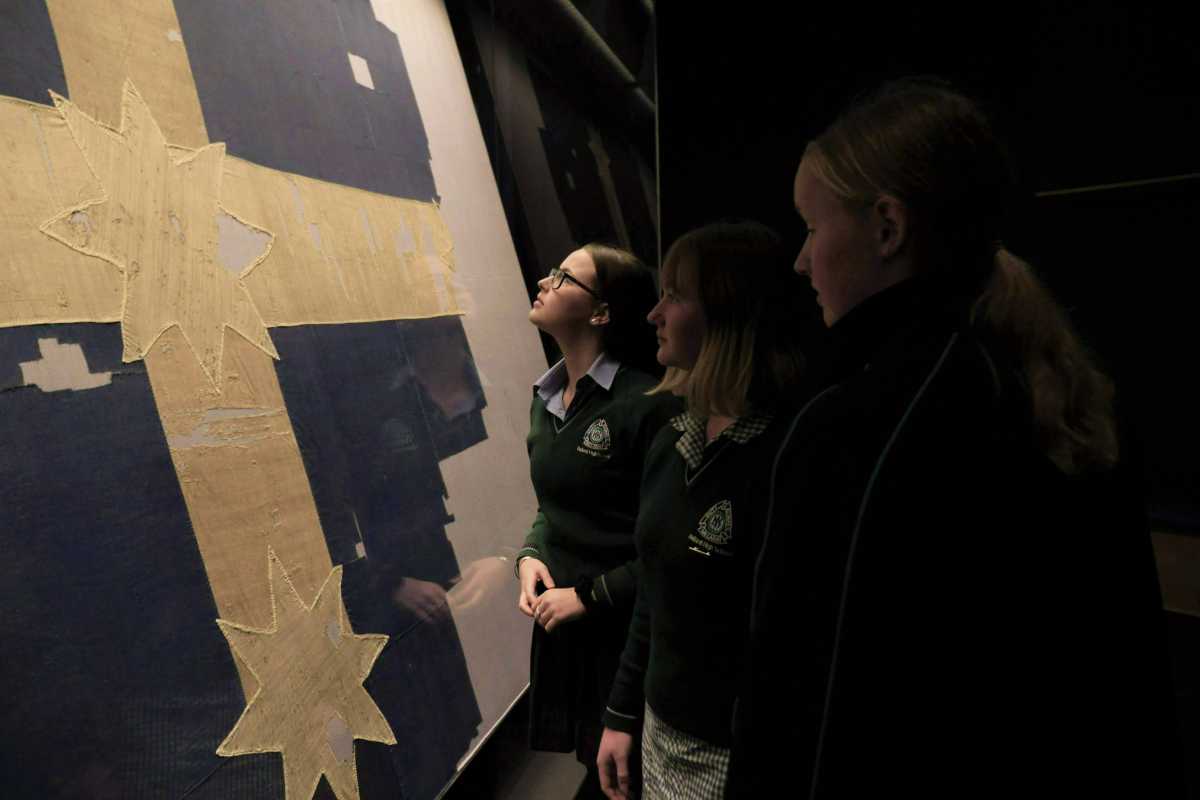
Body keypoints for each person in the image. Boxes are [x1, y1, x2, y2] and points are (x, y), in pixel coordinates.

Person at [727, 78, 1181, 798]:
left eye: (812, 227)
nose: (800, 260)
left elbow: (803, 715)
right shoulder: (1059, 391)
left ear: (887, 227)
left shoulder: (856, 429)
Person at [596, 221, 808, 799]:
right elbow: (656, 585)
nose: (653, 314)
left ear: (728, 312)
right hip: (660, 733)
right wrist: (621, 711)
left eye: (675, 294)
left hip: (739, 758)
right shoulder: (673, 437)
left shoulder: (790, 456)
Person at [517, 243, 680, 798]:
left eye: (564, 277)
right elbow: (554, 504)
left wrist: (588, 595)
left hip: (627, 637)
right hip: (571, 639)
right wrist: (531, 554)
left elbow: (670, 549)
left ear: (601, 313)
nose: (545, 279)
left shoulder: (649, 405)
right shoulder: (545, 397)